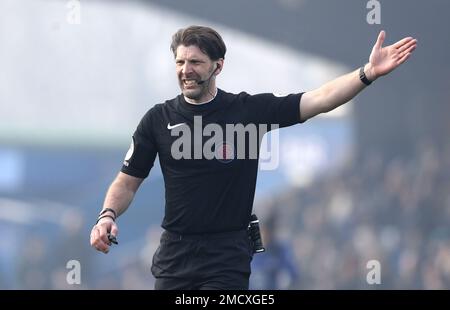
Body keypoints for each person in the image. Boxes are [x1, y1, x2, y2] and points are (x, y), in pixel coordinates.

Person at [90, 25, 417, 290]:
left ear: (218, 65)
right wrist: (107, 215)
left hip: (226, 255)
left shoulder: (248, 111)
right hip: (175, 255)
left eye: (195, 62)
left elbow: (318, 99)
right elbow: (127, 181)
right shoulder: (157, 119)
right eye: (180, 62)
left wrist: (367, 73)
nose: (185, 71)